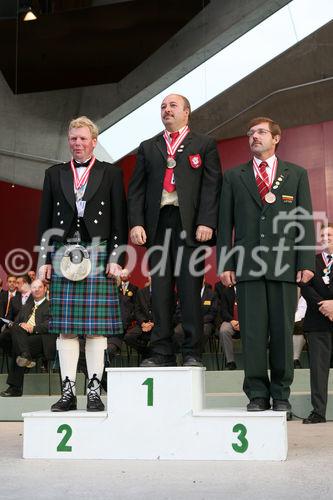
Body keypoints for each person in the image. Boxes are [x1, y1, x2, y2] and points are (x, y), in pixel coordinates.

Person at [217, 116, 315, 416]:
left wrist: (306, 261)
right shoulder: (235, 176)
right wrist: (225, 263)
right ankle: (257, 393)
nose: (254, 137)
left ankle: (281, 394)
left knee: (283, 333)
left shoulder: (296, 174)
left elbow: (304, 221)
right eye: (250, 133)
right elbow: (225, 225)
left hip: (285, 266)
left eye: (260, 132)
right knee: (253, 333)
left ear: (276, 138)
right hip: (246, 267)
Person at [38, 116, 127, 412]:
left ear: (94, 141)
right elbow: (45, 219)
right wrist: (44, 260)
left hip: (98, 251)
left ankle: (93, 391)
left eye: (83, 138)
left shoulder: (110, 173)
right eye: (73, 138)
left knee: (95, 330)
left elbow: (119, 220)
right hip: (63, 252)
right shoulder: (55, 173)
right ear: (68, 140)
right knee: (65, 329)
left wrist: (117, 258)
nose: (78, 143)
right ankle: (67, 392)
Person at [128, 94, 222, 367]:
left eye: (172, 106)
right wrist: (136, 223)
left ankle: (192, 351)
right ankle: (161, 352)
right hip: (157, 225)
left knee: (190, 288)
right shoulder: (148, 147)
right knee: (160, 290)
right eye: (163, 107)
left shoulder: (204, 144)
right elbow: (136, 189)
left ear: (187, 112)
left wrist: (207, 221)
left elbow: (211, 186)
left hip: (190, 226)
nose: (166, 110)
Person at [300, 223, 333, 423]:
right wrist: (325, 306)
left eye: (329, 233)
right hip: (318, 323)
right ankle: (318, 412)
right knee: (318, 371)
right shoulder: (311, 262)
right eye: (323, 234)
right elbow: (305, 286)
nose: (326, 237)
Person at [0, 280, 53, 397]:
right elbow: (17, 323)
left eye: (39, 287)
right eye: (34, 287)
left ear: (45, 289)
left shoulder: (51, 305)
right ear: (31, 290)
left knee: (18, 348)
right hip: (24, 339)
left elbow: (51, 324)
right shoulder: (26, 306)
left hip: (41, 339)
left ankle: (15, 388)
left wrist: (32, 328)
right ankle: (25, 356)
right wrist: (20, 326)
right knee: (5, 335)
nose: (37, 290)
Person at [173, 280, 218, 354]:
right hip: (187, 321)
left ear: (203, 279)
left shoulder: (212, 294)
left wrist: (199, 320)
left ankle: (196, 353)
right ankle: (186, 353)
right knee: (177, 332)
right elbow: (178, 311)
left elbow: (213, 313)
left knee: (204, 332)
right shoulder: (185, 293)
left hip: (205, 323)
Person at [217, 285, 240, 370]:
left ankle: (253, 361)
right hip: (231, 321)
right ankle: (230, 362)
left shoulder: (249, 290)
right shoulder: (226, 291)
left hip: (247, 321)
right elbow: (223, 311)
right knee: (224, 330)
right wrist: (232, 321)